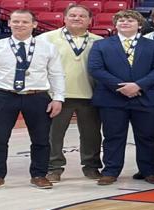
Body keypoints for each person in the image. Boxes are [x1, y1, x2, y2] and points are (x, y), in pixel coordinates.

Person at [0, 9, 65, 190]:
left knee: (41, 139)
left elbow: (56, 74)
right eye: (15, 21)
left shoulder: (48, 48)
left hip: (37, 96)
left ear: (34, 24)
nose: (19, 25)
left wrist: (58, 98)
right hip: (4, 96)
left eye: (24, 22)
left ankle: (39, 175)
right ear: (9, 23)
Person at [88, 9, 154, 186]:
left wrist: (138, 85)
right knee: (113, 136)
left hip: (145, 97)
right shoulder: (101, 45)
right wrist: (121, 87)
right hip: (112, 98)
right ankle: (110, 171)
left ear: (139, 25)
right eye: (121, 20)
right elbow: (96, 69)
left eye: (130, 20)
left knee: (147, 137)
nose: (125, 23)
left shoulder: (153, 45)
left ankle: (149, 171)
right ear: (115, 25)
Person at [41, 4, 103, 181]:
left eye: (82, 16)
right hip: (57, 96)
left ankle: (91, 166)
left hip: (90, 95)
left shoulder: (98, 41)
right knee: (54, 135)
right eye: (73, 15)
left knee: (91, 134)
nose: (77, 18)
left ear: (90, 20)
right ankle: (54, 167)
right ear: (64, 18)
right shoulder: (47, 38)